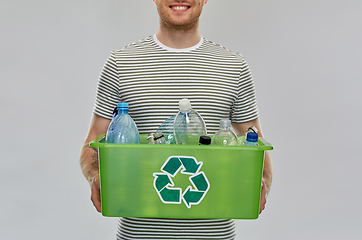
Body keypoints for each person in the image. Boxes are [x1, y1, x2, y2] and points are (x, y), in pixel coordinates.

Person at [79, 0, 273, 239]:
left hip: (214, 234)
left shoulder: (234, 66)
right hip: (140, 233)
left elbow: (255, 142)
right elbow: (92, 141)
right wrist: (94, 176)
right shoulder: (121, 64)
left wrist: (263, 181)